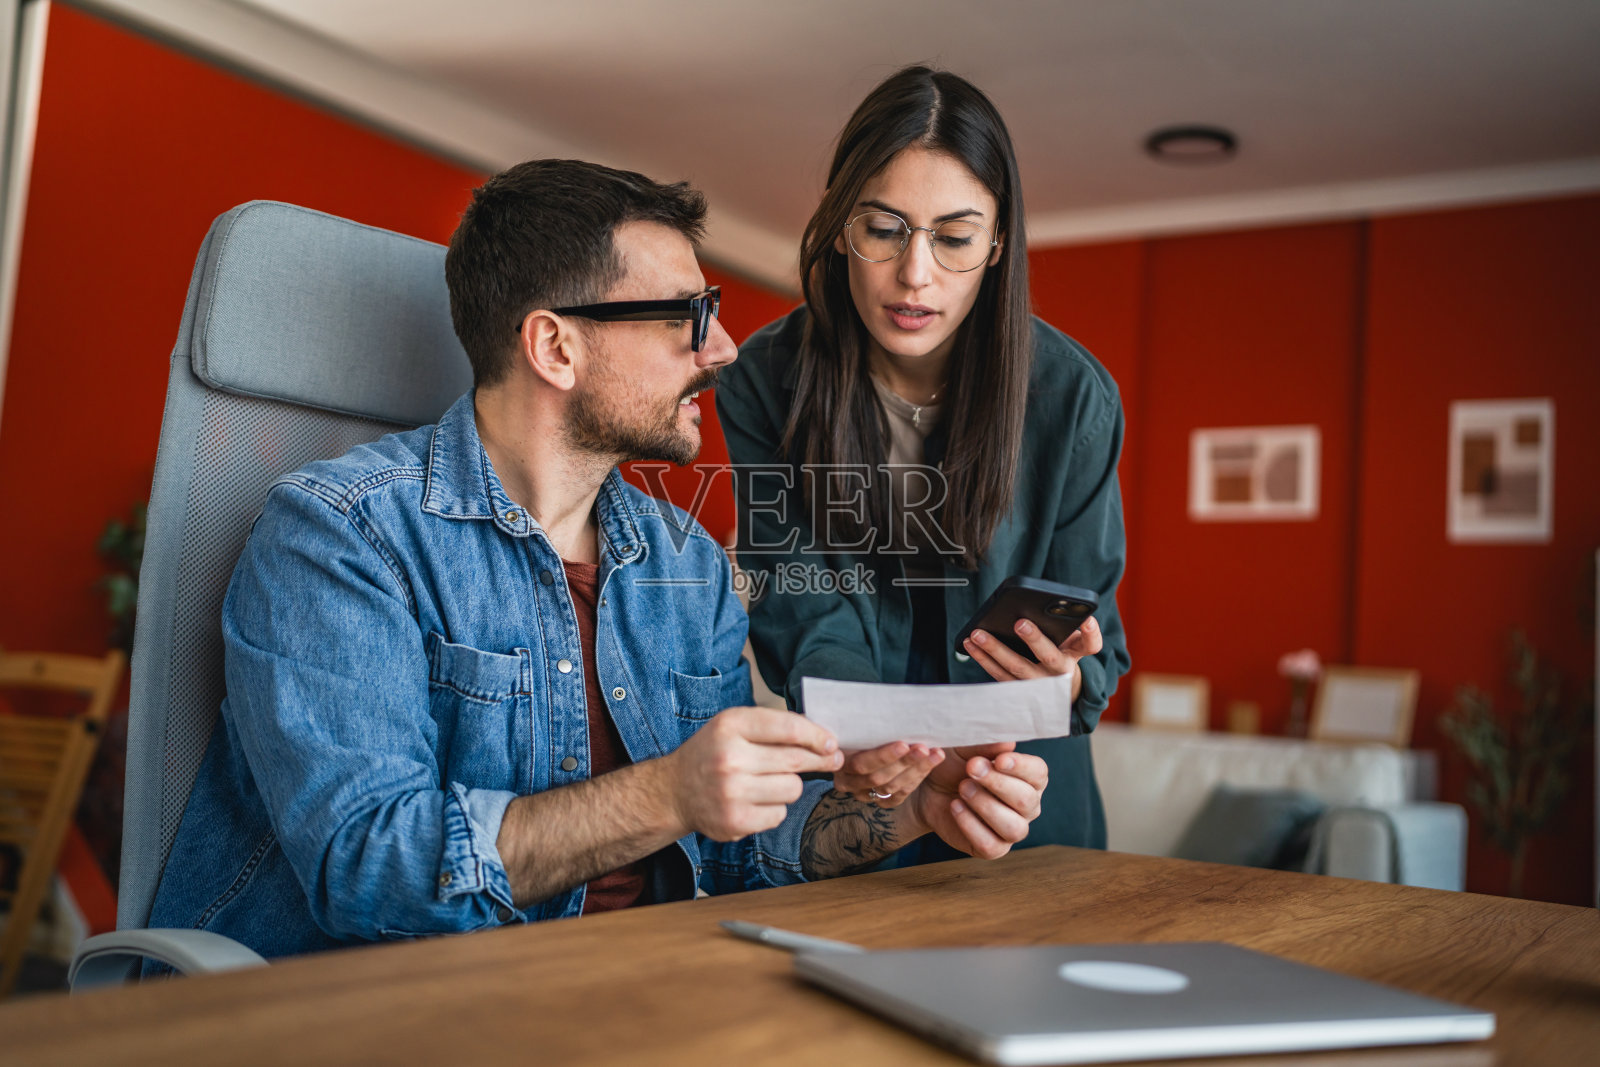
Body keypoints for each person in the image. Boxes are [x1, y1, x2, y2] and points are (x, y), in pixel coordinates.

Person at [143, 159, 1047, 962]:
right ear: (554, 346)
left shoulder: (687, 562)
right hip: (394, 1010)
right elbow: (371, 868)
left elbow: (735, 850)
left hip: (639, 988)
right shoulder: (340, 536)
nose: (723, 349)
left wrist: (915, 808)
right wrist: (671, 790)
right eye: (688, 319)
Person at [716, 67, 1130, 862]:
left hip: (1024, 810)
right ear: (839, 226)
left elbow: (1097, 647)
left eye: (954, 236)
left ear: (998, 241)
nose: (916, 275)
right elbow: (802, 602)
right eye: (884, 228)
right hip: (866, 805)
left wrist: (1063, 675)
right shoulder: (765, 379)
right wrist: (866, 726)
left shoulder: (1073, 397)